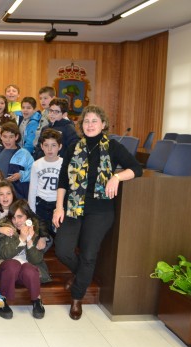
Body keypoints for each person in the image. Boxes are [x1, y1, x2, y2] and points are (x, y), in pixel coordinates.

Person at [53, 105, 143, 321]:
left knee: (89, 255)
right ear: (81, 125)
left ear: (103, 125)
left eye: (94, 121)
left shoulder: (113, 147)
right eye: (86, 121)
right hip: (74, 207)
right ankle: (80, 275)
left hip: (100, 210)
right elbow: (63, 181)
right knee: (62, 249)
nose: (90, 125)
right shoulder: (73, 147)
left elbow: (136, 168)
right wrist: (59, 207)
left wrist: (116, 177)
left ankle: (77, 298)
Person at [0, 200, 50, 319]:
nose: (17, 221)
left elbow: (37, 260)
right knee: (13, 264)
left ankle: (36, 300)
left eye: (20, 217)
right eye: (13, 218)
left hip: (24, 272)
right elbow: (5, 254)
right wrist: (21, 239)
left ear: (27, 217)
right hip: (7, 268)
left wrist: (29, 240)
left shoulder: (34, 230)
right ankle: (0, 301)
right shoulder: (7, 230)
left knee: (29, 268)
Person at [28, 128, 63, 235]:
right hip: (41, 204)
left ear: (59, 146)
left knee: (58, 236)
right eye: (46, 145)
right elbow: (32, 189)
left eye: (53, 145)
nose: (50, 149)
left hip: (57, 205)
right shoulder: (36, 164)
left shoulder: (64, 164)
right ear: (42, 146)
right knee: (40, 237)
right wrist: (32, 213)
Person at [0, 122, 34, 200]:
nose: (7, 140)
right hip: (2, 195)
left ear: (16, 137)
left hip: (19, 195)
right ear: (0, 136)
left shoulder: (24, 154)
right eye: (5, 136)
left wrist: (21, 175)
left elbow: (34, 172)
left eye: (11, 137)